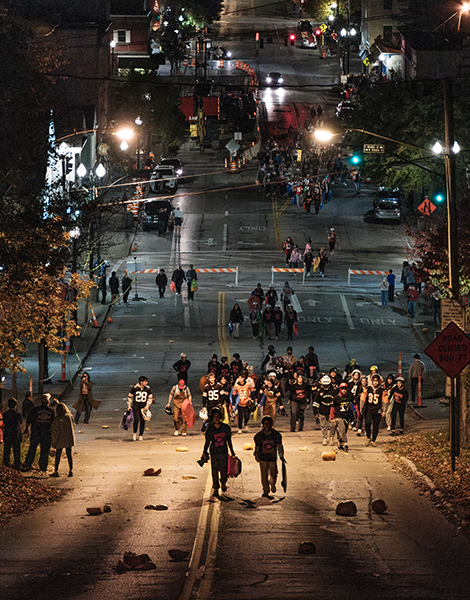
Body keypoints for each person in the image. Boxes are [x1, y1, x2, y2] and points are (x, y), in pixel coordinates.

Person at [201, 407, 236, 498]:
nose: (216, 418)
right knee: (215, 471)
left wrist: (232, 452)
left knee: (224, 469)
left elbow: (229, 440)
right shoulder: (210, 429)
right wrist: (204, 452)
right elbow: (207, 442)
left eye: (217, 416)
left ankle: (223, 482)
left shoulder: (225, 427)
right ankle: (216, 488)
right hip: (214, 452)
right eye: (214, 416)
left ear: (220, 417)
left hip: (223, 452)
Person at [254, 415, 284, 499]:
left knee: (274, 473)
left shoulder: (276, 435)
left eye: (268, 424)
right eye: (265, 424)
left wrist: (281, 455)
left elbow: (279, 446)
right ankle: (265, 491)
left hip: (272, 458)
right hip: (263, 458)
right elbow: (257, 447)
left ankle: (272, 483)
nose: (266, 425)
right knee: (264, 475)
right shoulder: (259, 436)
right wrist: (256, 455)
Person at [23, 393, 55, 473]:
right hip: (47, 433)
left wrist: (27, 428)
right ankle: (43, 467)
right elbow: (54, 422)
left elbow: (29, 419)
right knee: (45, 451)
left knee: (32, 448)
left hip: (36, 432)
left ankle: (28, 464)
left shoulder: (35, 409)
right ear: (48, 401)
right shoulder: (51, 410)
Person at [51, 403, 75, 477]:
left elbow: (55, 432)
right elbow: (73, 426)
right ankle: (71, 470)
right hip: (68, 438)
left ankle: (56, 470)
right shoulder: (70, 417)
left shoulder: (56, 420)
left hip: (60, 439)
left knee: (58, 455)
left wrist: (53, 443)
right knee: (69, 454)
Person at [362, 373, 386, 446]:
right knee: (367, 423)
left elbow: (385, 401)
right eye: (374, 381)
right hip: (369, 409)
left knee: (376, 425)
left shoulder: (382, 390)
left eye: (377, 381)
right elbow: (363, 399)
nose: (375, 382)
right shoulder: (368, 389)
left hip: (377, 409)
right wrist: (361, 408)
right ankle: (368, 437)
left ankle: (374, 439)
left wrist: (384, 410)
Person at [127, 376, 154, 441]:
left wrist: (147, 405)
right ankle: (134, 433)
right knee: (136, 419)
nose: (146, 383)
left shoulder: (147, 389)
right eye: (145, 382)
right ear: (141, 382)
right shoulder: (135, 388)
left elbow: (150, 398)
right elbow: (129, 396)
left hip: (143, 406)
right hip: (136, 405)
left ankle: (141, 435)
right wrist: (129, 405)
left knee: (143, 420)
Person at [313, 375, 336, 445]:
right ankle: (325, 438)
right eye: (324, 385)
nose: (326, 387)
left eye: (327, 385)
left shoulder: (334, 391)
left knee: (333, 425)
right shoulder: (319, 392)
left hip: (331, 412)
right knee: (323, 426)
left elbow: (337, 401)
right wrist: (315, 412)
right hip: (322, 411)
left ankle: (331, 437)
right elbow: (316, 402)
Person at [2, 398, 22, 471]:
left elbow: (4, 422)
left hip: (7, 433)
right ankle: (17, 466)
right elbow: (20, 422)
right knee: (16, 451)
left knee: (6, 450)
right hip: (16, 434)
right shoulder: (17, 414)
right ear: (15, 405)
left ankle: (6, 465)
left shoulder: (5, 414)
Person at [331, 382, 352, 451]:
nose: (344, 390)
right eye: (342, 389)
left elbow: (352, 406)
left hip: (346, 416)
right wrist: (332, 417)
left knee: (343, 431)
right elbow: (332, 407)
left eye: (345, 389)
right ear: (340, 389)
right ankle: (345, 443)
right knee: (342, 429)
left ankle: (340, 443)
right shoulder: (336, 398)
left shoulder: (349, 397)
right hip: (338, 416)